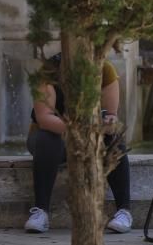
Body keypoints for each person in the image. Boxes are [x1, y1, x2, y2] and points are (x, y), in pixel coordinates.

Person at [25, 53, 132, 234]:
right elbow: (44, 119)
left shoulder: (105, 69)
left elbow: (111, 116)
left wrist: (108, 124)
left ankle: (124, 211)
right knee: (47, 138)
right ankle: (40, 212)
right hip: (53, 137)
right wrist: (83, 130)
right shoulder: (49, 70)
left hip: (90, 136)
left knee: (114, 140)